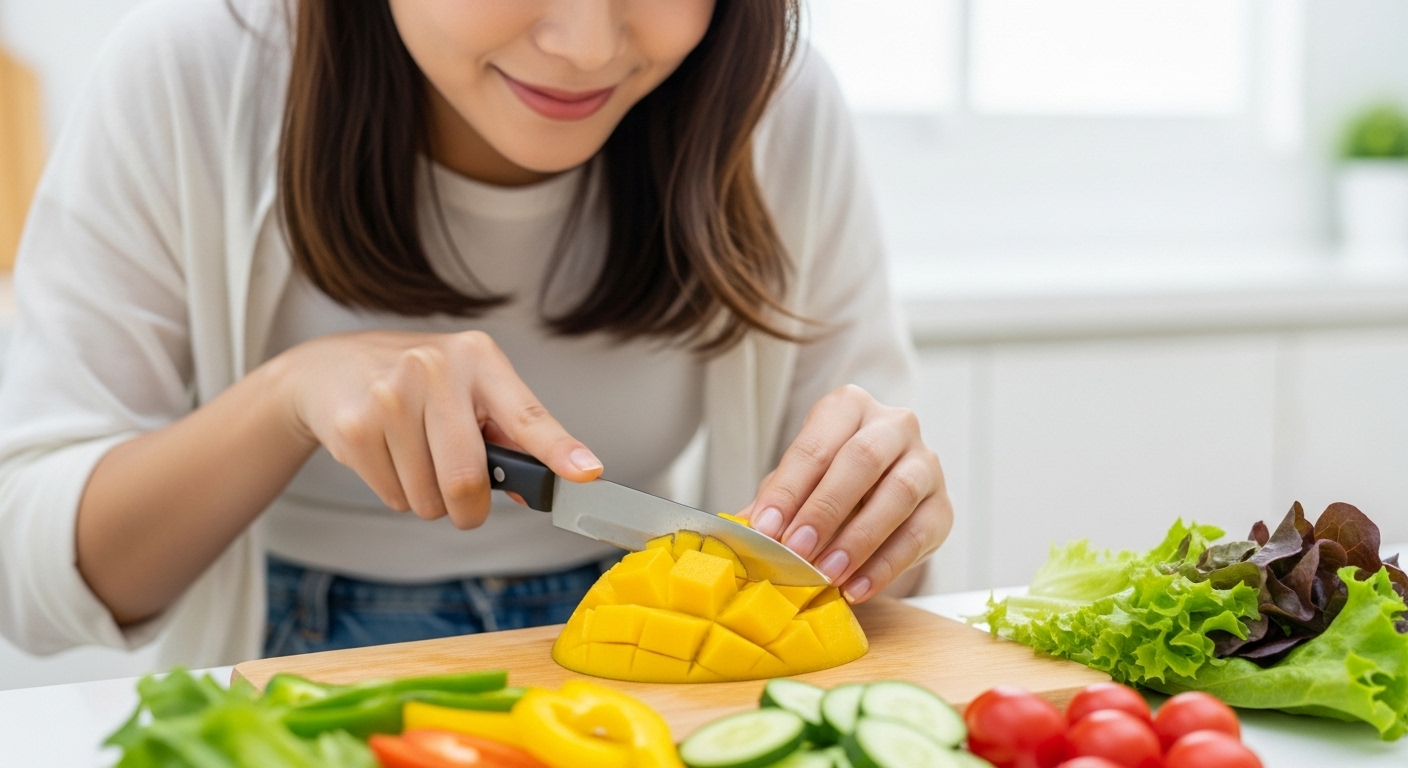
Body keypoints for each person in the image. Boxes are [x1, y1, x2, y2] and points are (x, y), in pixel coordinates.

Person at [0, 0, 953, 670]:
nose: (584, 44)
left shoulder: (772, 102)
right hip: (284, 648)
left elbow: (882, 588)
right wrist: (287, 397)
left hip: (646, 640)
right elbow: (23, 574)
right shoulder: (191, 67)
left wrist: (881, 519)